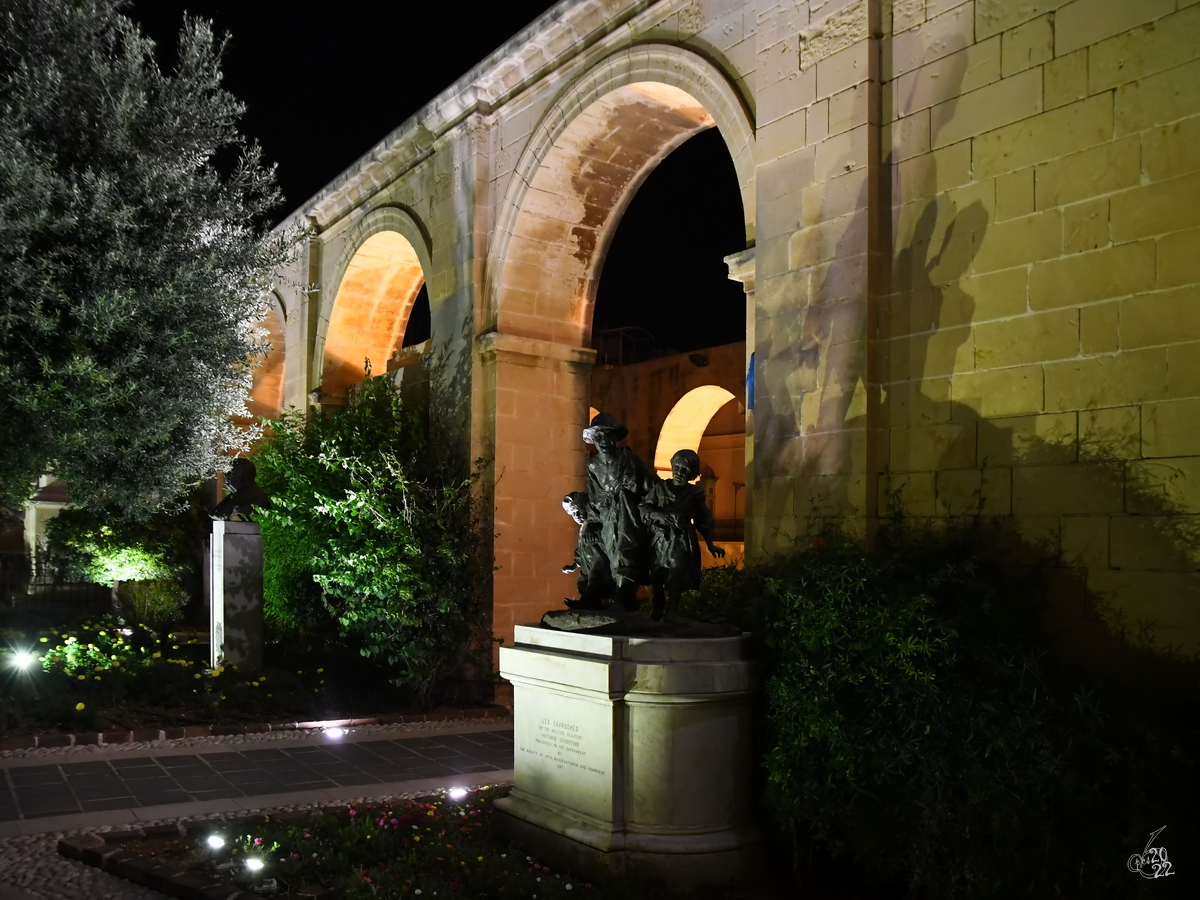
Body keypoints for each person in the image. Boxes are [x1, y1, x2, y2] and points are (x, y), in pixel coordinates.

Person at [583, 412, 657, 612]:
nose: (604, 441)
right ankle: (595, 593)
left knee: (625, 547)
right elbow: (593, 497)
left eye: (608, 436)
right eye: (598, 437)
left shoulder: (629, 458)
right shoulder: (592, 465)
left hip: (628, 514)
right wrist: (590, 523)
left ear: (615, 438)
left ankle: (624, 594)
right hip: (606, 517)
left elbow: (652, 485)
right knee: (597, 547)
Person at [641, 448, 725, 620]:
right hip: (658, 539)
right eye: (677, 467)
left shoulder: (695, 494)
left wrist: (710, 543)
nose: (679, 473)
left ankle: (672, 609)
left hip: (682, 540)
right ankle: (657, 606)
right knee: (656, 571)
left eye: (685, 470)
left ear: (692, 473)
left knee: (677, 572)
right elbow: (644, 508)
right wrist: (659, 515)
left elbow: (704, 518)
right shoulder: (659, 489)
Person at [560, 491, 612, 609]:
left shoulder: (594, 524)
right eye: (573, 513)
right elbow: (581, 549)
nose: (577, 515)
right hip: (586, 565)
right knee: (583, 582)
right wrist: (574, 565)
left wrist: (596, 539)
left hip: (599, 559)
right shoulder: (583, 528)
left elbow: (604, 539)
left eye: (579, 511)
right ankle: (594, 604)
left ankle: (585, 601)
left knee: (595, 579)